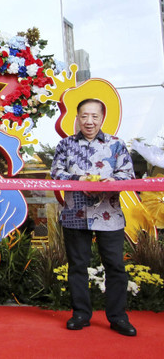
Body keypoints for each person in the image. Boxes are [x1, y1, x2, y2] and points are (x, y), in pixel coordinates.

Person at [51, 98, 136, 336]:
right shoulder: (65, 145)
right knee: (78, 265)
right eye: (84, 116)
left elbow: (128, 174)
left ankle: (118, 317)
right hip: (74, 213)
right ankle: (80, 314)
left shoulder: (116, 145)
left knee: (115, 266)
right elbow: (56, 172)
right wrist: (79, 181)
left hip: (109, 214)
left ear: (102, 118)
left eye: (94, 116)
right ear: (77, 118)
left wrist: (113, 182)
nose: (89, 121)